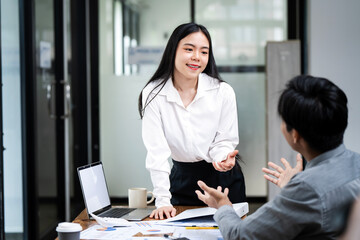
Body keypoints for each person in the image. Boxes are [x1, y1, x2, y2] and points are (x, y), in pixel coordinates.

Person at [195, 75, 360, 239]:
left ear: (294, 134)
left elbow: (241, 235)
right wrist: (295, 186)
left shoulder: (306, 188)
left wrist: (223, 206)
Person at [138, 23, 246, 220]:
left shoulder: (222, 91)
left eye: (204, 52)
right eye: (189, 49)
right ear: (173, 50)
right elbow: (157, 152)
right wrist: (162, 200)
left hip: (223, 182)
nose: (197, 57)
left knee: (230, 233)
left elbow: (223, 141)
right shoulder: (153, 94)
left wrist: (222, 158)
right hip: (182, 180)